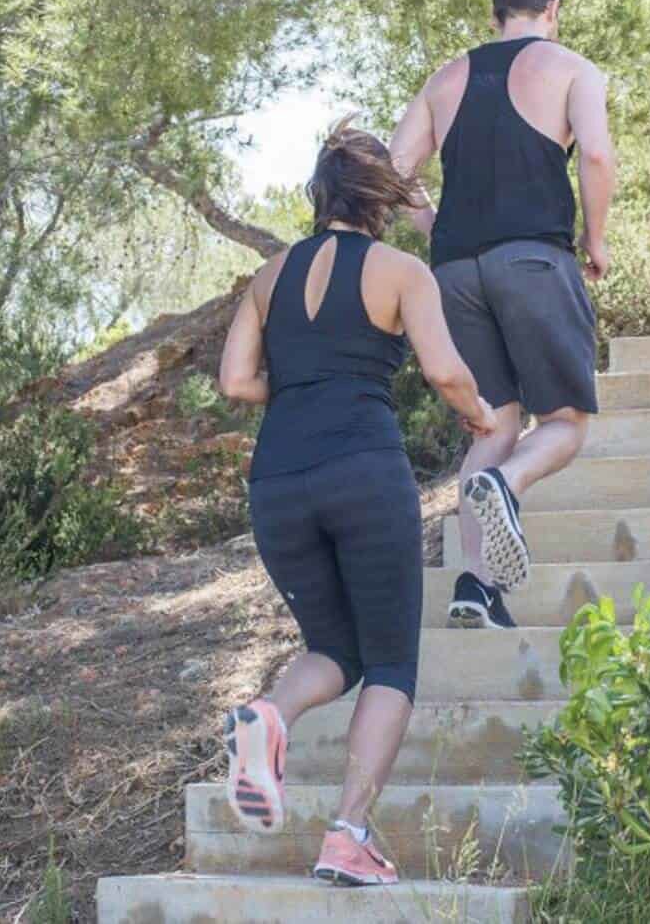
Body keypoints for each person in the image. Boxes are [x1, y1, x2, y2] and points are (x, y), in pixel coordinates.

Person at [214, 126, 497, 887]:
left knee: (334, 649)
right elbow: (444, 369)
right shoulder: (403, 271)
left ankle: (270, 718)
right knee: (393, 664)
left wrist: (304, 386)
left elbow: (237, 381)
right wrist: (482, 415)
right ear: (383, 198)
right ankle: (347, 835)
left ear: (320, 195)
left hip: (278, 482)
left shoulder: (269, 276)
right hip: (363, 471)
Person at [389, 0, 615, 631]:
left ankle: (475, 588)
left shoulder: (446, 78)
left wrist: (433, 225)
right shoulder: (572, 67)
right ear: (554, 10)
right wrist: (596, 240)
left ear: (494, 16)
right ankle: (506, 485)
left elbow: (394, 169)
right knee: (566, 424)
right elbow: (597, 157)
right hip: (535, 260)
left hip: (454, 271)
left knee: (493, 424)